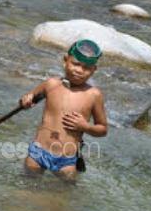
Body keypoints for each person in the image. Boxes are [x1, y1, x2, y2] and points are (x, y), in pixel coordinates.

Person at [20, 39, 108, 182]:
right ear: (65, 60)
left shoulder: (93, 95)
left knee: (61, 200)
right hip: (38, 152)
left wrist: (85, 126)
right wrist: (25, 100)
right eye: (76, 64)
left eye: (86, 68)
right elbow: (25, 102)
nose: (79, 70)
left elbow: (103, 129)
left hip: (66, 160)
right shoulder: (51, 84)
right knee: (25, 188)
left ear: (93, 70)